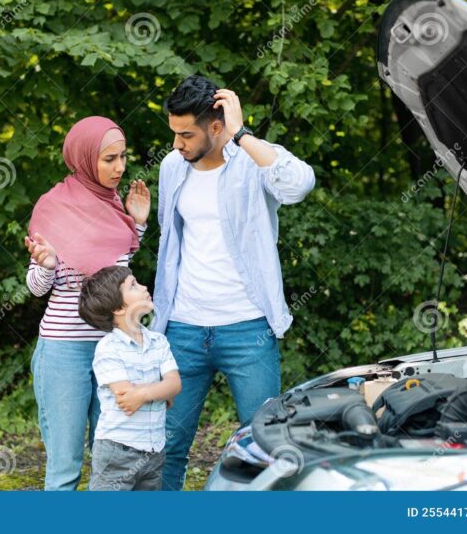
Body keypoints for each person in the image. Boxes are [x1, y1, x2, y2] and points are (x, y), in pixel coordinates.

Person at [151, 75, 316, 490]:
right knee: (168, 443)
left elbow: (299, 185)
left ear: (216, 126)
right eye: (174, 134)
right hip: (183, 329)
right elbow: (171, 240)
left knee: (265, 443)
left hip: (248, 330)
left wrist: (242, 135)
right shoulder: (173, 167)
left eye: (186, 134)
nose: (177, 144)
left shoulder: (253, 161)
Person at [24, 116, 151, 490]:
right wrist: (46, 267)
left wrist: (137, 224)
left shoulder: (115, 208)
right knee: (65, 467)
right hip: (64, 350)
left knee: (110, 461)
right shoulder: (52, 207)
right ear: (83, 157)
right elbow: (35, 287)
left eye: (123, 157)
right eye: (109, 159)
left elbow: (116, 279)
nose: (119, 167)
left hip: (114, 348)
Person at [78, 266, 181, 491]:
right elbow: (126, 398)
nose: (144, 287)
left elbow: (175, 384)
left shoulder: (158, 342)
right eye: (133, 285)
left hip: (154, 451)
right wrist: (159, 392)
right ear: (118, 307)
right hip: (117, 453)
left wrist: (145, 393)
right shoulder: (109, 348)